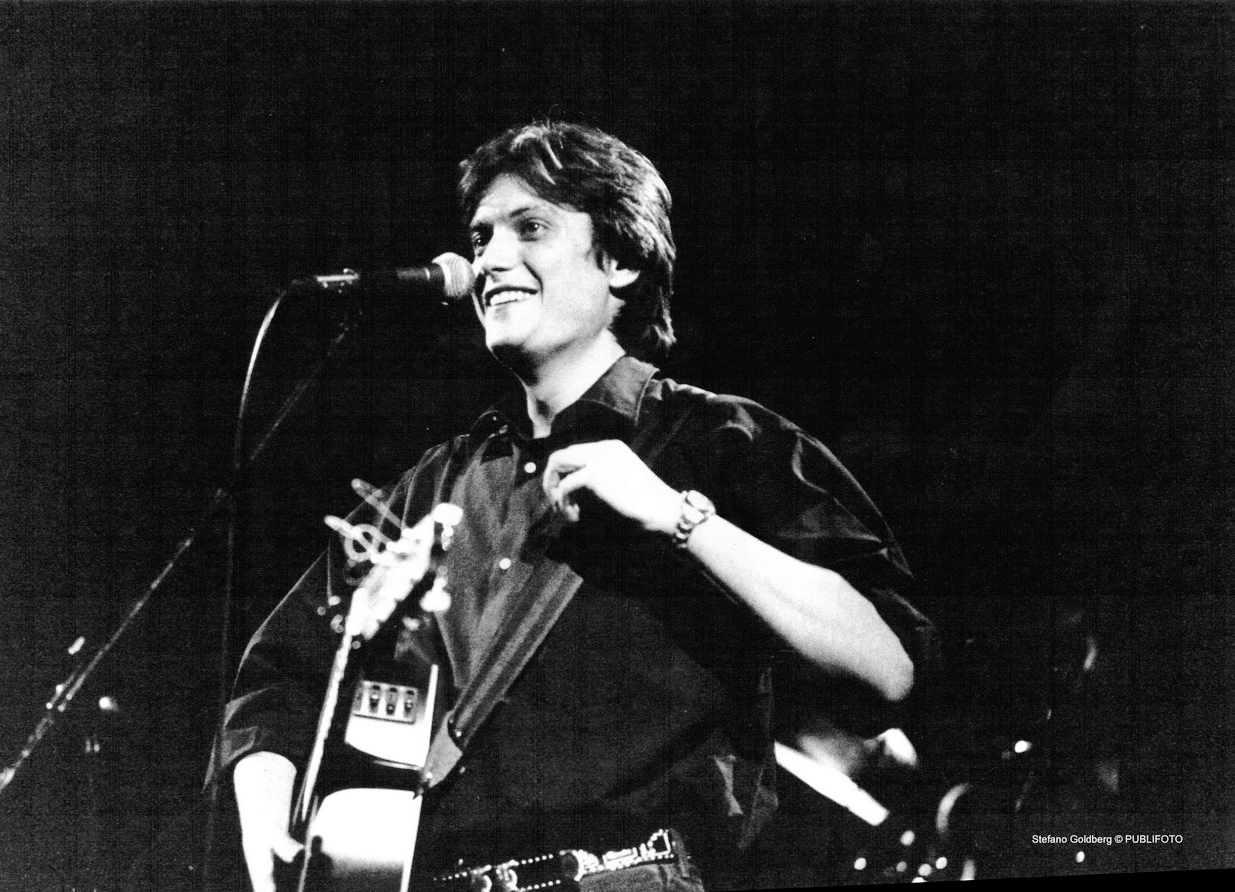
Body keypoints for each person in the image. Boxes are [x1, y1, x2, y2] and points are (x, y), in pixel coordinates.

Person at [213, 121, 934, 892]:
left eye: (530, 229)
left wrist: (681, 519)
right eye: (481, 236)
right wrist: (268, 827)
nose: (489, 260)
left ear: (620, 259)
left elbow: (888, 664)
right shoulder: (432, 485)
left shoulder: (724, 442)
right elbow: (276, 679)